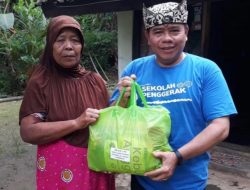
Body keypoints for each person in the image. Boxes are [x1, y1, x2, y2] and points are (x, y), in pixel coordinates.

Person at [110, 0, 237, 189]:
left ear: (186, 32)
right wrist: (123, 100)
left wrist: (177, 157)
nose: (166, 38)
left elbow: (220, 126)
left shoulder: (206, 70)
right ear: (148, 36)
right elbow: (114, 118)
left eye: (174, 30)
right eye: (158, 32)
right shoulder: (135, 69)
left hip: (189, 182)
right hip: (142, 178)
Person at [19, 15, 115, 190]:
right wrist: (76, 123)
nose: (69, 46)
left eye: (75, 41)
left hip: (97, 167)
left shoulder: (95, 80)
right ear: (50, 46)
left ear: (82, 46)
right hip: (60, 171)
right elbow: (28, 131)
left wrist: (122, 102)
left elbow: (109, 123)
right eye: (60, 40)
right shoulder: (41, 82)